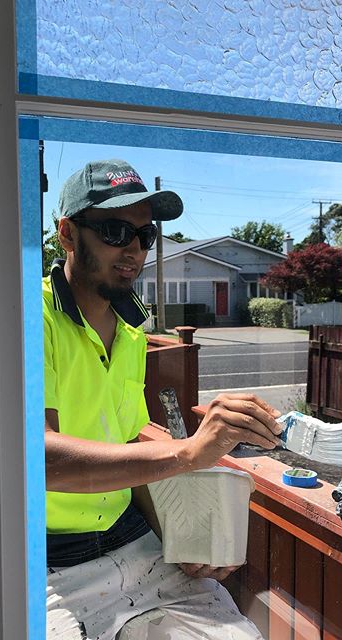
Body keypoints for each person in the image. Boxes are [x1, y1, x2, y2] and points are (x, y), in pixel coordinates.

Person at [43, 159, 282, 640]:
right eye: (114, 231)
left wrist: (181, 536)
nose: (133, 250)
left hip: (131, 538)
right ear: (68, 234)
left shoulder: (131, 333)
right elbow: (39, 459)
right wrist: (189, 452)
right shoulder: (33, 318)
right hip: (49, 560)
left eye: (144, 236)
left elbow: (129, 446)